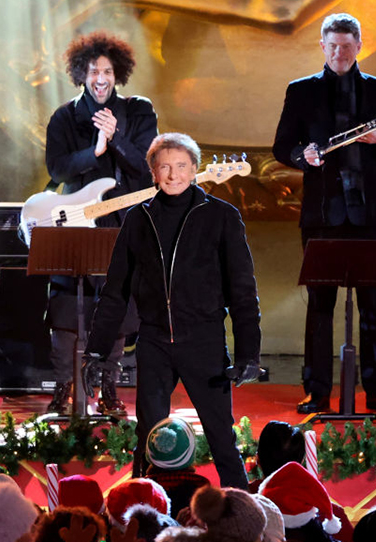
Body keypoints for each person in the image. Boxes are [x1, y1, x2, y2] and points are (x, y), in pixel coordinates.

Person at [85, 132, 262, 489]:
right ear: (152, 172)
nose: (172, 174)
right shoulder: (138, 219)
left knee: (221, 439)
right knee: (148, 439)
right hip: (154, 344)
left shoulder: (222, 217)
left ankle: (244, 513)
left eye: (181, 166)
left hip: (205, 342)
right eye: (164, 166)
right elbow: (115, 292)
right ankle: (140, 508)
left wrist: (248, 354)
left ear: (195, 170)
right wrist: (96, 349)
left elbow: (243, 292)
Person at [272, 12, 376, 415]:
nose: (339, 53)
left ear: (359, 46)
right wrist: (305, 156)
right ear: (322, 46)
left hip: (371, 217)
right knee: (319, 307)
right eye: (332, 46)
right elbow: (284, 146)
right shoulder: (301, 92)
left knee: (373, 305)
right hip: (321, 216)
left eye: (347, 46)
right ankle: (317, 392)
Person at [44, 31, 158, 415]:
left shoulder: (139, 111)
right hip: (73, 222)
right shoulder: (64, 116)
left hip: (121, 224)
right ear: (82, 73)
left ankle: (108, 387)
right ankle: (64, 388)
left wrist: (116, 138)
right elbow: (57, 168)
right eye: (94, 70)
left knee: (118, 307)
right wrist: (94, 151)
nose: (101, 78)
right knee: (62, 306)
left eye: (108, 70)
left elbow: (146, 169)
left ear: (118, 73)